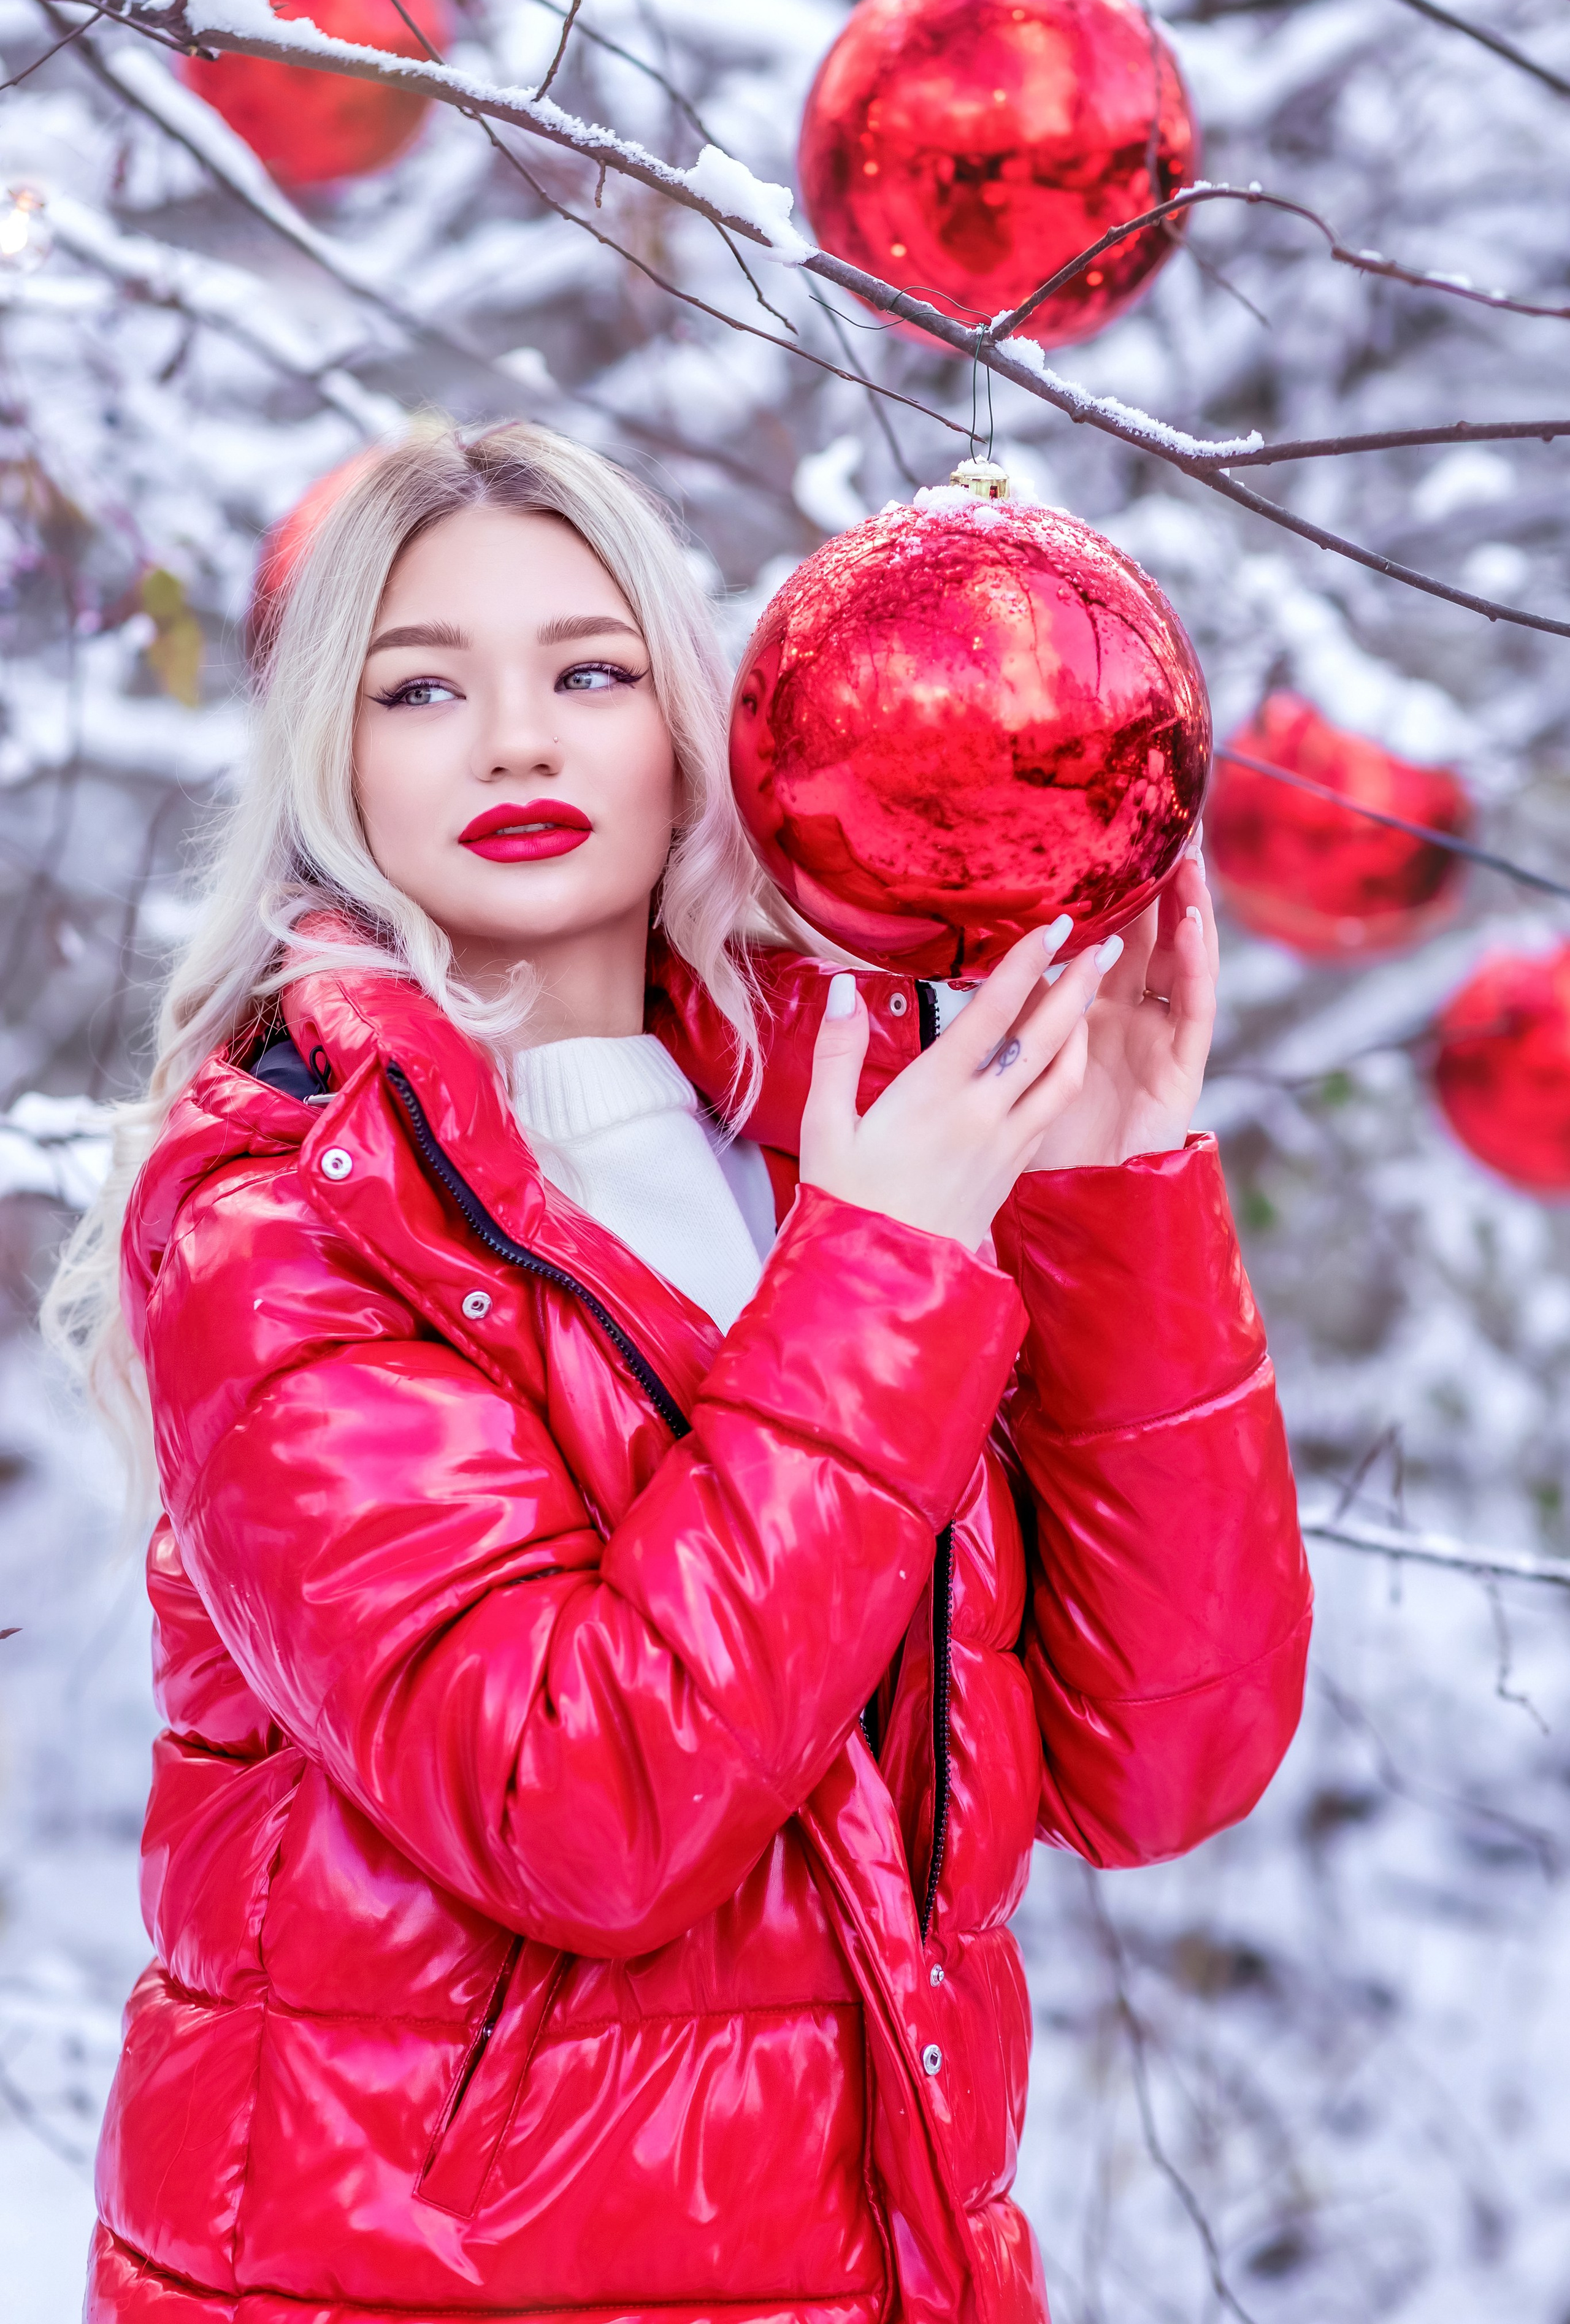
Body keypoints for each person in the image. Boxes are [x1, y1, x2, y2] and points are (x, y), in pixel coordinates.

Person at [48, 420, 1311, 2324]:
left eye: (591, 669)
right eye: (421, 688)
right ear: (333, 754)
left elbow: (1166, 1767)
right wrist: (881, 1269)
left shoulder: (847, 1137)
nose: (518, 743)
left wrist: (1109, 1192)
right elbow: (586, 1805)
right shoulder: (277, 1214)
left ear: (699, 726)